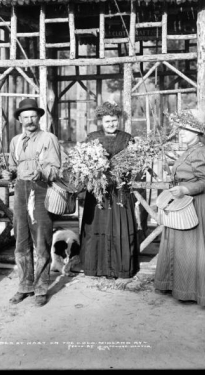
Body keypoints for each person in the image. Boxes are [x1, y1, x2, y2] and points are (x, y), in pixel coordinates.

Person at [154, 109, 205, 306]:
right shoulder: (189, 150)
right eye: (180, 129)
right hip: (183, 201)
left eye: (186, 130)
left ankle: (195, 291)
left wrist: (185, 188)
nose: (181, 133)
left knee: (191, 249)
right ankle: (179, 285)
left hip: (195, 203)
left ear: (197, 133)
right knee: (181, 247)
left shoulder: (201, 152)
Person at [2, 98, 61, 307]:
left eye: (33, 116)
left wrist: (42, 171)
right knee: (21, 239)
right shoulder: (15, 141)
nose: (29, 120)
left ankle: (41, 288)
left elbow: (55, 168)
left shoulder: (49, 138)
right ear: (19, 119)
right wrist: (8, 172)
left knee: (41, 239)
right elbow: (11, 166)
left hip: (41, 189)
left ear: (39, 117)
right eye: (25, 117)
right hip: (20, 189)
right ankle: (25, 286)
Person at [79, 101, 139, 279]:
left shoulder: (127, 138)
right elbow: (84, 161)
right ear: (100, 122)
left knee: (119, 227)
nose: (112, 124)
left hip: (120, 191)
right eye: (107, 121)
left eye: (114, 120)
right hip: (98, 191)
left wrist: (124, 172)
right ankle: (96, 267)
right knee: (97, 226)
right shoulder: (92, 138)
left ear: (118, 120)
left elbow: (135, 163)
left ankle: (119, 268)